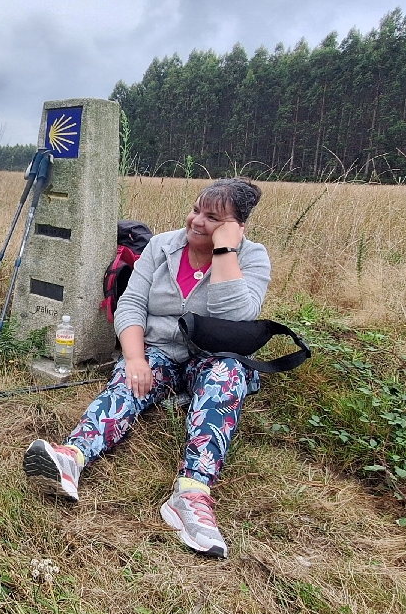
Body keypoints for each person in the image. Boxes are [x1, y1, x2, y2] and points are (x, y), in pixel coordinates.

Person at [23, 177, 270, 558]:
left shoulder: (252, 257)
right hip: (159, 351)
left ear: (236, 227)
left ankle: (191, 494)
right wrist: (135, 358)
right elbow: (132, 305)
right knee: (127, 382)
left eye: (213, 217)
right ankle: (71, 458)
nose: (196, 221)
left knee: (226, 378)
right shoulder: (162, 246)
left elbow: (237, 314)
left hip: (215, 356)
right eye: (195, 209)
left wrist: (225, 252)